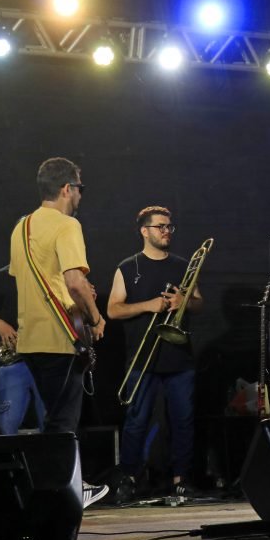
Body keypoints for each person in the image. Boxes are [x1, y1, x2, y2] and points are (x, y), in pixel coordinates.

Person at [9, 157, 108, 507]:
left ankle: (51, 490)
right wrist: (96, 317)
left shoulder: (20, 228)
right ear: (67, 188)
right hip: (61, 337)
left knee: (53, 418)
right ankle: (64, 491)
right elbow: (73, 281)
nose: (80, 196)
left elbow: (32, 281)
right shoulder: (67, 225)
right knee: (63, 423)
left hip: (31, 339)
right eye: (80, 188)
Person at [106, 206, 203, 502]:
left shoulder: (183, 265)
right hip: (142, 356)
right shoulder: (127, 267)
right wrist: (149, 305)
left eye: (169, 227)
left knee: (183, 420)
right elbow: (113, 310)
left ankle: (181, 479)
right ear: (144, 231)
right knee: (136, 420)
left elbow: (199, 303)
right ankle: (130, 477)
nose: (166, 231)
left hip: (178, 356)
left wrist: (183, 300)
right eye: (160, 226)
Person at [0, 265, 45, 435]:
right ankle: (8, 461)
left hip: (47, 359)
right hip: (14, 361)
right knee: (4, 425)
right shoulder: (0, 277)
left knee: (51, 423)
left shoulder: (51, 273)